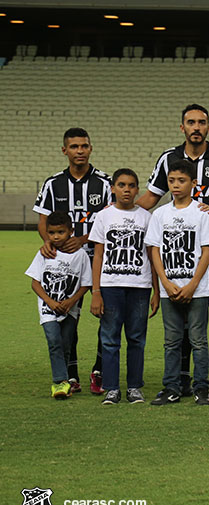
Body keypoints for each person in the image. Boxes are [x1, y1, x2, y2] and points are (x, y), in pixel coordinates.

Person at [137, 104, 209, 400]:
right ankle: (181, 380)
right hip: (176, 255)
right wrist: (122, 210)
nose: (196, 127)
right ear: (181, 127)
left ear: (208, 126)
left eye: (202, 122)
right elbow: (150, 197)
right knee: (180, 317)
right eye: (191, 122)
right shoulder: (168, 159)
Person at [33, 127, 112, 395]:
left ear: (91, 148)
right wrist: (48, 242)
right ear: (64, 150)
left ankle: (100, 371)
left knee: (107, 315)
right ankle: (72, 374)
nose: (80, 151)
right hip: (66, 264)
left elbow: (111, 220)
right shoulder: (52, 184)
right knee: (69, 319)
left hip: (100, 259)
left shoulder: (104, 182)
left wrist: (84, 238)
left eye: (84, 146)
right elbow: (43, 222)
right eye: (74, 146)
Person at [145, 160, 209, 405]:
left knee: (198, 340)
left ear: (193, 183)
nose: (175, 185)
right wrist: (165, 282)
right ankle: (172, 388)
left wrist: (192, 285)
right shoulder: (160, 214)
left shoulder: (202, 213)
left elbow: (207, 251)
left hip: (197, 289)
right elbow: (154, 250)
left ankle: (201, 388)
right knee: (171, 340)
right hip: (170, 288)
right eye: (172, 181)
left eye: (181, 180)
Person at [88, 169, 160, 405]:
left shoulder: (146, 218)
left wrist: (156, 291)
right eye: (121, 185)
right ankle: (110, 388)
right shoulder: (103, 216)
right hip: (110, 286)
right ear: (112, 188)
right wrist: (96, 291)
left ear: (137, 189)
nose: (126, 189)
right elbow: (97, 256)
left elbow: (152, 256)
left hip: (139, 286)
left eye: (131, 185)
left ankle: (134, 387)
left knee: (137, 338)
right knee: (110, 339)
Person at [26, 212, 92, 399]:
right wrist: (50, 302)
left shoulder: (80, 256)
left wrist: (71, 302)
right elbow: (35, 283)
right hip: (48, 309)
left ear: (71, 231)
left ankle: (67, 382)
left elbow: (86, 283)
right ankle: (60, 382)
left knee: (65, 344)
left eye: (61, 232)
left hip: (70, 310)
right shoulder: (45, 254)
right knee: (54, 342)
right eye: (52, 233)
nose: (56, 237)